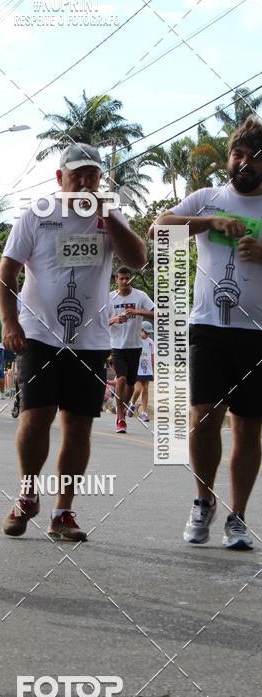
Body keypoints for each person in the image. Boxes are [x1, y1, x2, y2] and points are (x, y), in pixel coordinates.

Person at [0, 143, 147, 541]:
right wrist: (10, 323)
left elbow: (138, 259)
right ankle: (27, 495)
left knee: (78, 425)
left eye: (91, 175)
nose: (84, 182)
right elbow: (5, 273)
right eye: (76, 174)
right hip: (39, 334)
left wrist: (108, 218)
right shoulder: (36, 215)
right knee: (36, 416)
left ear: (100, 179)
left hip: (91, 339)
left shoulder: (110, 216)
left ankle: (63, 512)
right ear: (60, 178)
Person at [154, 115, 262, 550]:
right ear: (229, 157)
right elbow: (160, 230)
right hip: (207, 326)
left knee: (249, 427)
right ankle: (203, 500)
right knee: (203, 418)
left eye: (254, 157)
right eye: (238, 153)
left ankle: (237, 516)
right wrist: (208, 223)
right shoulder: (206, 198)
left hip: (256, 332)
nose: (244, 162)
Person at [108, 268, 155, 433]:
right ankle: (120, 418)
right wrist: (113, 320)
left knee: (130, 385)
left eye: (127, 278)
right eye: (121, 278)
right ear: (116, 279)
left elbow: (158, 314)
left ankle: (121, 406)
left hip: (135, 346)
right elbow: (98, 323)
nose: (124, 281)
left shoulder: (140, 295)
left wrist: (137, 311)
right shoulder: (109, 298)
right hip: (116, 345)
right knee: (121, 379)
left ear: (131, 279)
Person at [128, 321, 154, 421]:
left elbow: (152, 356)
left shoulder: (151, 342)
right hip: (136, 369)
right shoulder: (135, 340)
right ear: (141, 330)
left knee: (145, 390)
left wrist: (153, 370)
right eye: (146, 332)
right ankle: (132, 404)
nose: (147, 334)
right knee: (138, 389)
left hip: (147, 370)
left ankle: (144, 413)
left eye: (148, 333)